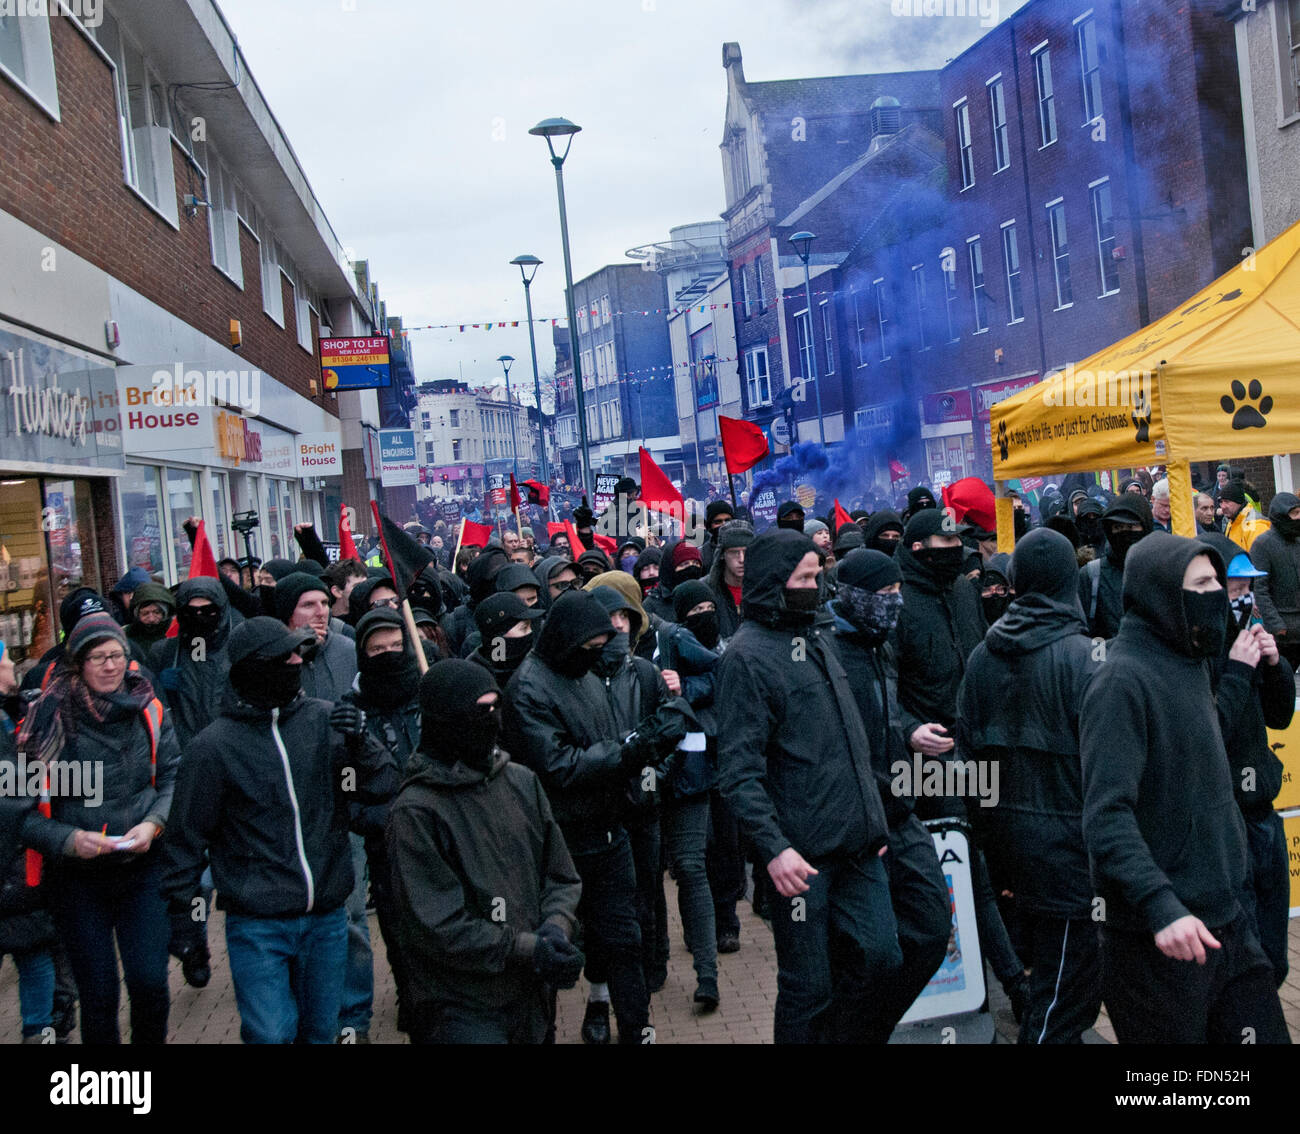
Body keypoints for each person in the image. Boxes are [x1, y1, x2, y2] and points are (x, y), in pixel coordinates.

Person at [1080, 533, 1289, 1044]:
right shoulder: (1119, 681)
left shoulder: (1192, 661)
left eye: (1219, 580)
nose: (1218, 593)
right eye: (1203, 583)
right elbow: (1106, 817)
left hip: (1229, 921)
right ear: (1161, 594)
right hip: (1160, 943)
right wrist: (1161, 907)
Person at [159, 617, 394, 1045]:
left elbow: (380, 787)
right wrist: (187, 923)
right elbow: (185, 842)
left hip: (326, 916)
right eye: (284, 656)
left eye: (297, 655)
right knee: (271, 1034)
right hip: (258, 924)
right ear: (252, 669)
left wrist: (362, 742)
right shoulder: (213, 748)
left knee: (321, 1032)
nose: (295, 662)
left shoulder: (325, 721)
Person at [716, 529, 902, 1044]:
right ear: (775, 583)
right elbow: (737, 771)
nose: (815, 587)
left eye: (818, 576)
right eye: (804, 578)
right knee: (807, 987)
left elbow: (848, 737)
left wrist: (874, 815)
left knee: (883, 957)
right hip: (800, 860)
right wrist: (774, 850)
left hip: (859, 846)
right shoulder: (746, 659)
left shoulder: (819, 636)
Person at [502, 589, 687, 1045]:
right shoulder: (528, 687)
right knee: (556, 950)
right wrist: (635, 747)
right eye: (590, 646)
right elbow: (561, 765)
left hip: (609, 831)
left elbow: (607, 738)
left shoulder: (584, 673)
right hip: (557, 845)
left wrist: (647, 742)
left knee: (625, 939)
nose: (597, 655)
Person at [386, 661, 584, 1043]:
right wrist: (527, 948)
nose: (492, 720)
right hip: (461, 1004)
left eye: (497, 707)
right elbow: (437, 926)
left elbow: (560, 874)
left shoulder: (522, 783)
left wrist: (556, 929)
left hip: (529, 997)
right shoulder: (417, 811)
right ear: (446, 721)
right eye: (480, 710)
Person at [957, 530, 1103, 1043]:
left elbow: (966, 758)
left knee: (1054, 984)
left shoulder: (981, 657)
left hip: (1011, 853)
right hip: (1071, 857)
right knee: (1062, 1001)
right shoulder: (1087, 661)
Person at [19, 614, 178, 1044]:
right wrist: (69, 840)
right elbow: (17, 812)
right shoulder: (44, 721)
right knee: (99, 994)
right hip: (77, 880)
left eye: (116, 655)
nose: (110, 666)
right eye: (97, 657)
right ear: (78, 663)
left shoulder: (149, 708)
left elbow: (171, 778)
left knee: (149, 983)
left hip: (141, 868)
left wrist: (154, 823)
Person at [827, 549, 950, 1042]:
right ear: (854, 598)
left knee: (933, 928)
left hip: (901, 810)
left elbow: (888, 713)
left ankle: (870, 1030)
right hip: (860, 824)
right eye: (885, 595)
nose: (895, 604)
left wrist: (912, 732)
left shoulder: (879, 645)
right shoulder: (827, 654)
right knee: (873, 953)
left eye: (899, 593)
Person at [1200, 534, 1295, 988]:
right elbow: (1208, 735)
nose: (1243, 597)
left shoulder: (1250, 632)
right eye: (1235, 588)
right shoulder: (1196, 648)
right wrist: (1237, 671)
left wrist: (1276, 667)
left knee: (1274, 947)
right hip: (1224, 817)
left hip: (1263, 812)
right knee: (1247, 949)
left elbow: (1278, 718)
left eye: (1248, 587)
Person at [656, 580, 730, 979]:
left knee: (693, 864)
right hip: (639, 778)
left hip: (690, 767)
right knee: (652, 874)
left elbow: (721, 672)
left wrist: (685, 688)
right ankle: (657, 957)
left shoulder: (670, 638)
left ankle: (708, 973)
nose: (617, 625)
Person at [0, 640, 58, 1043]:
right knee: (34, 955)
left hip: (22, 864)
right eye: (6, 662)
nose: (11, 669)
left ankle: (39, 1030)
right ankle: (38, 1030)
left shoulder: (16, 713)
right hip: (16, 859)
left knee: (35, 952)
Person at [1079, 493, 1154, 640]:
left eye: (1132, 527)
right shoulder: (1091, 575)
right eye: (1118, 527)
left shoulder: (1162, 571)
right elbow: (1084, 635)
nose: (1125, 533)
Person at [276, 572, 358, 702]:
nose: (321, 612)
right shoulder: (271, 654)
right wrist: (295, 649)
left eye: (325, 603)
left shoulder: (348, 649)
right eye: (308, 605)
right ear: (288, 612)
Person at [1249, 491, 1300, 669]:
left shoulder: (1297, 541)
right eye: (1295, 513)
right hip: (1283, 633)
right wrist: (1277, 626)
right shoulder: (1263, 544)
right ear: (1282, 515)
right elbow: (1259, 588)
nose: (1298, 518)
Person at [468, 593, 545, 687]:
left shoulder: (537, 659)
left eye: (530, 626)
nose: (530, 632)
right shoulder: (474, 677)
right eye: (523, 628)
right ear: (498, 635)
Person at [705, 520, 753, 643]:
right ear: (722, 554)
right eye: (735, 552)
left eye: (746, 552)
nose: (741, 559)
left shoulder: (763, 590)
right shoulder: (706, 592)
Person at [124, 583, 176, 664]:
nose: (151, 618)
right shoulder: (125, 634)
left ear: (165, 613)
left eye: (156, 612)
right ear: (136, 615)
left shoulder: (176, 631)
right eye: (145, 613)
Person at [1220, 483, 1270, 552]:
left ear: (1239, 502)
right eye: (1221, 502)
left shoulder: (1256, 527)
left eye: (1227, 501)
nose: (1223, 506)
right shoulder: (1232, 522)